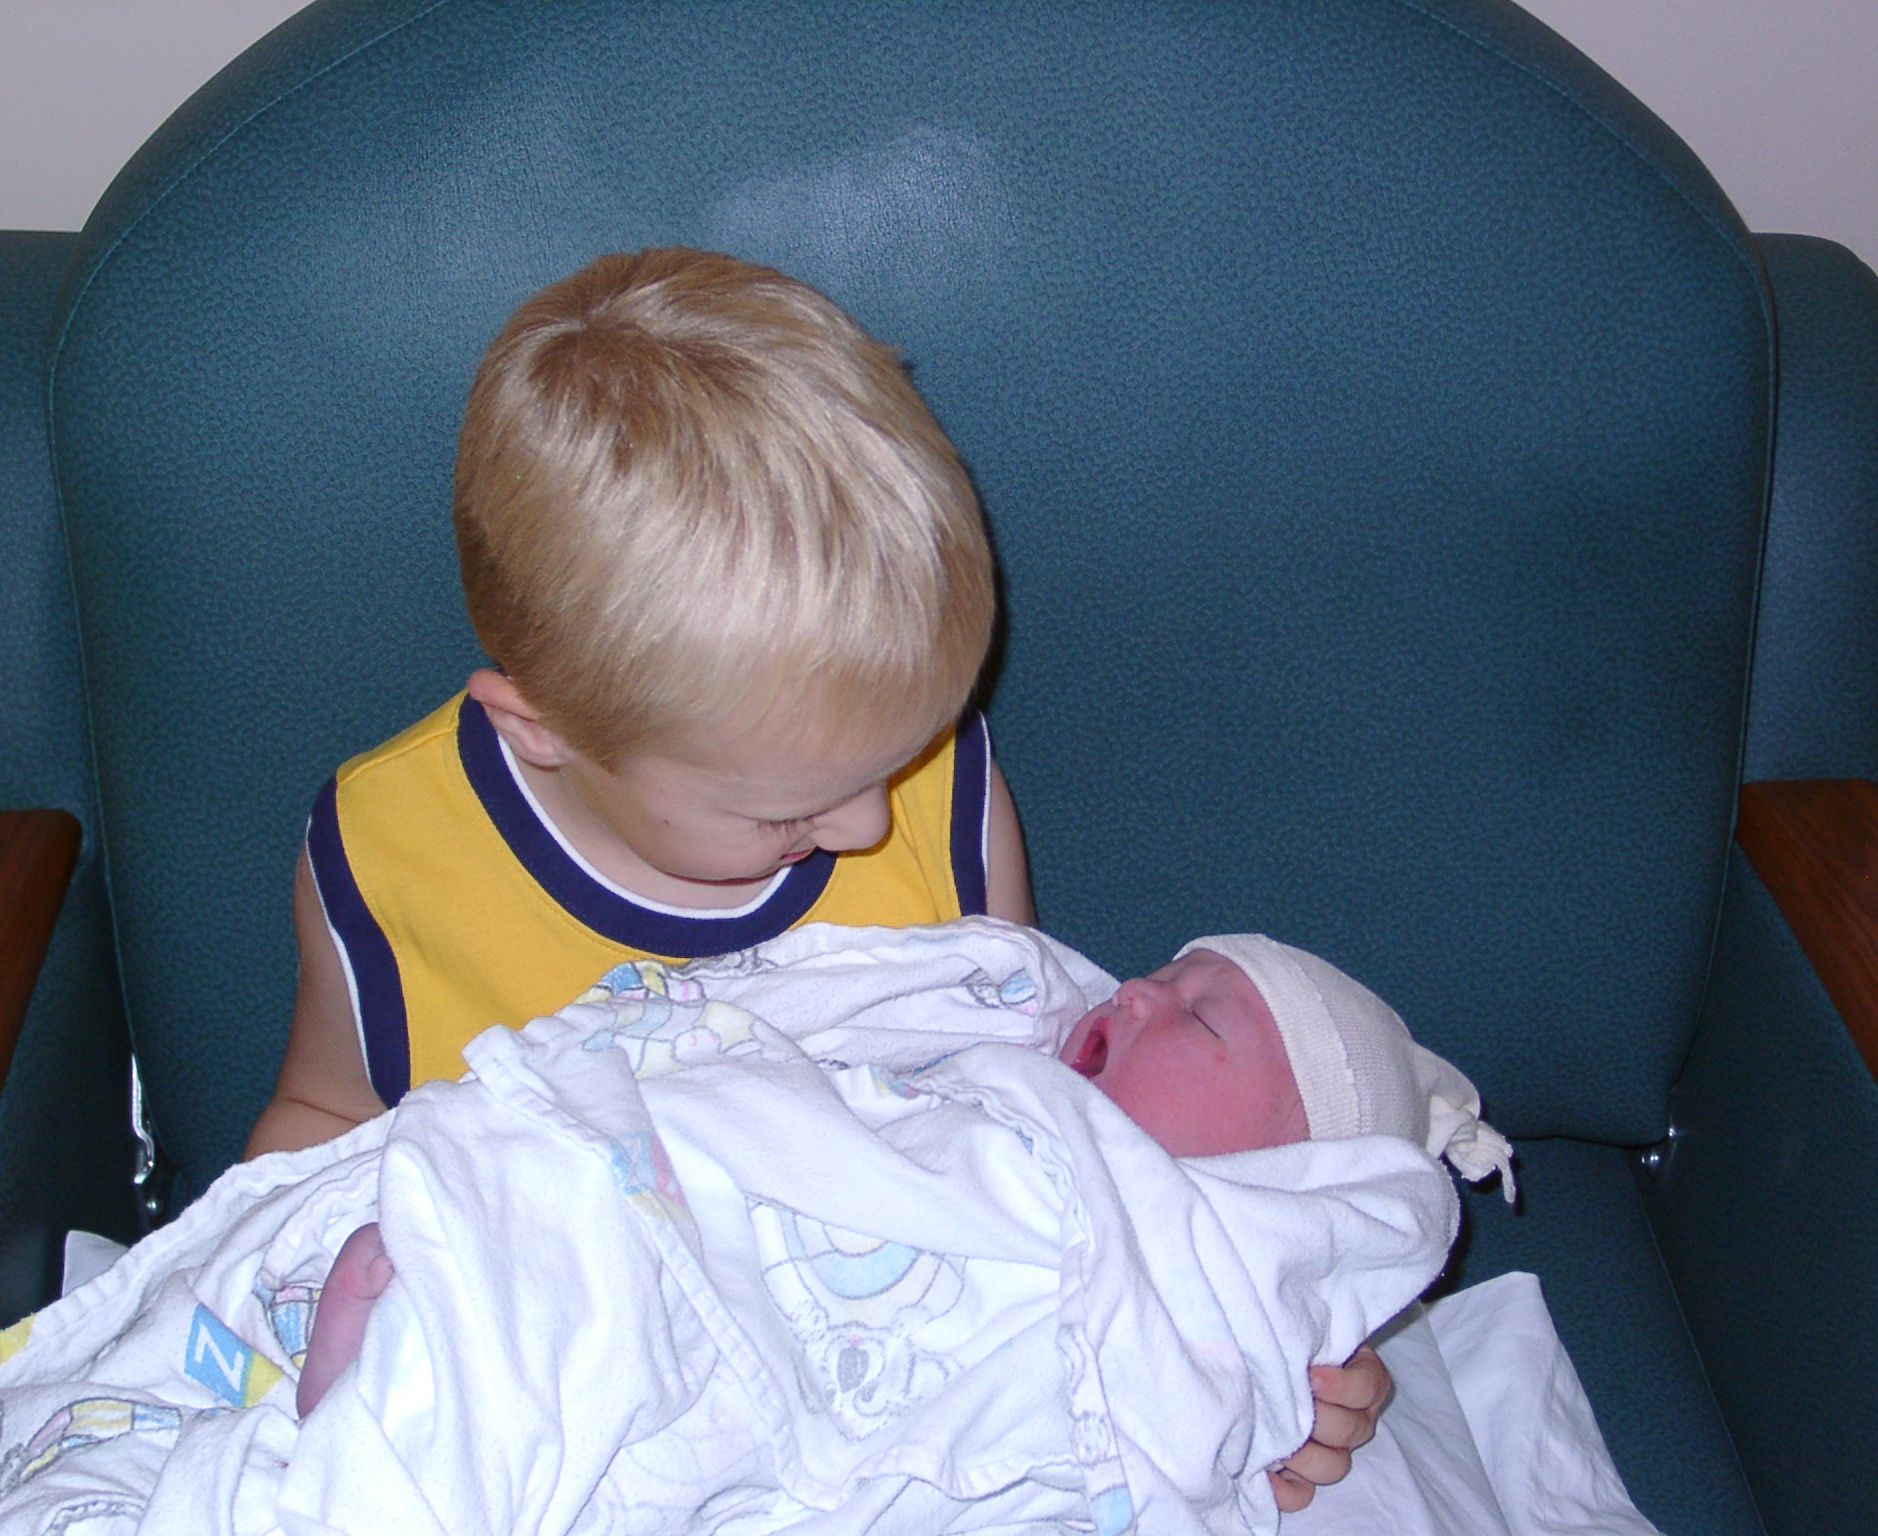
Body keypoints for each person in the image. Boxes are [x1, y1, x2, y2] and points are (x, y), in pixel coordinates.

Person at [239, 246, 1385, 1495]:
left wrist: (1259, 1341)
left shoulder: (936, 792)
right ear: (541, 729)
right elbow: (322, 1130)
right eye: (788, 810)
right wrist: (269, 1300)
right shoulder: (390, 858)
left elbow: (1042, 1131)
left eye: (899, 759)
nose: (867, 829)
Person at [294, 927, 1511, 1527]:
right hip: (717, 1267)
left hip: (853, 1432)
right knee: (598, 1291)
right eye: (1164, 973)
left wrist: (1289, 1365)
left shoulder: (1207, 1273)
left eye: (1197, 1021)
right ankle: (404, 1426)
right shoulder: (989, 1059)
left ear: (1287, 1176)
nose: (1135, 992)